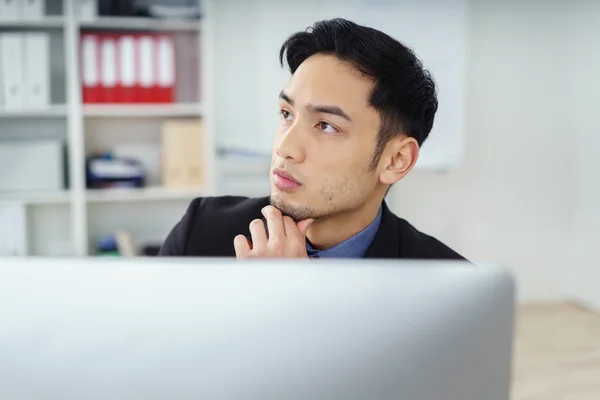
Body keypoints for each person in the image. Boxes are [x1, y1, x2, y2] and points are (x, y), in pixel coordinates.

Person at [159, 18, 464, 260]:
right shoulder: (199, 233)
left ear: (396, 160)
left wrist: (289, 304)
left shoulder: (450, 290)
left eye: (325, 126)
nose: (284, 148)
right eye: (286, 114)